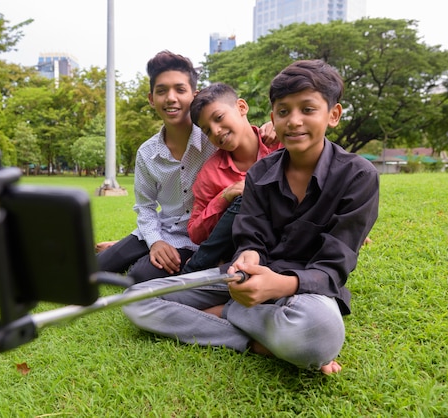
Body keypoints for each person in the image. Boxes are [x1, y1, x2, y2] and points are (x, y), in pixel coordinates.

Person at [121, 59, 379, 375]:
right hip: (243, 278)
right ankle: (254, 341)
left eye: (307, 109)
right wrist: (248, 258)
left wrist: (278, 285)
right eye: (284, 112)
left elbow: (332, 269)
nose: (294, 121)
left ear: (333, 115)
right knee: (136, 299)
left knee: (321, 334)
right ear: (273, 117)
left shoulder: (357, 176)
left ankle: (229, 313)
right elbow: (250, 237)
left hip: (305, 291)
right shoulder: (260, 173)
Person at [96, 51, 275, 283]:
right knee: (98, 267)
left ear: (194, 95)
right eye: (162, 91)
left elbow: (245, 137)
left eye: (180, 90)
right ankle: (126, 248)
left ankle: (133, 254)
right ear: (152, 99)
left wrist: (274, 124)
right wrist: (155, 242)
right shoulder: (147, 153)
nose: (171, 98)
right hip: (163, 229)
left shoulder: (214, 138)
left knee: (140, 275)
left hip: (197, 237)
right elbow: (145, 207)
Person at [181, 82, 282, 273]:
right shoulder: (210, 173)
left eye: (218, 118)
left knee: (253, 192)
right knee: (243, 198)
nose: (216, 131)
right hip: (241, 247)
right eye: (207, 130)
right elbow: (195, 232)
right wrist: (225, 196)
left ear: (242, 107)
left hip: (284, 237)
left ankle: (194, 271)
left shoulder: (281, 143)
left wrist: (280, 124)